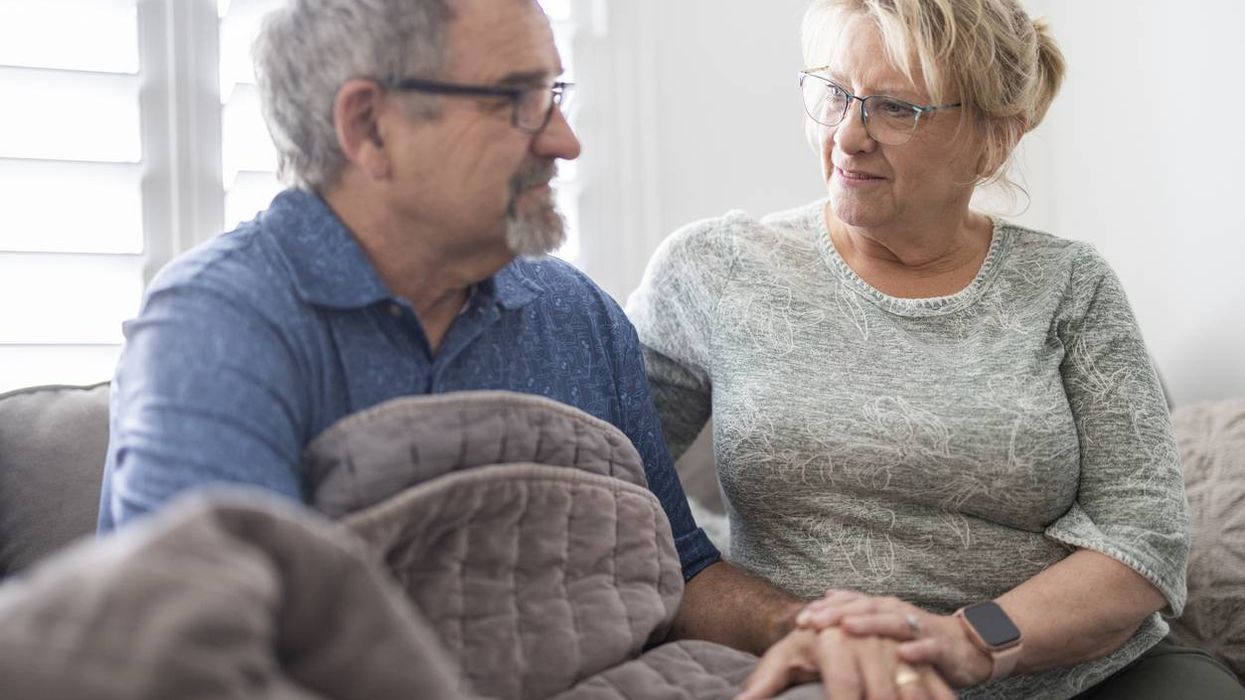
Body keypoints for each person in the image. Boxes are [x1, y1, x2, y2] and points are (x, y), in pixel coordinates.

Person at [96, 1, 952, 697]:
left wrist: (800, 627)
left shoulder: (572, 314)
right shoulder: (219, 326)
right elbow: (204, 649)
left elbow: (679, 572)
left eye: (556, 93)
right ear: (370, 125)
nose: (564, 140)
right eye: (517, 99)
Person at [628, 0, 1245, 698]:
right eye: (833, 93)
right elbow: (608, 487)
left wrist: (966, 641)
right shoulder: (715, 268)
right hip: (832, 675)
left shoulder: (1070, 286)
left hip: (1086, 675)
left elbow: (1142, 536)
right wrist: (773, 617)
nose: (848, 134)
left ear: (993, 139)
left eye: (895, 108)